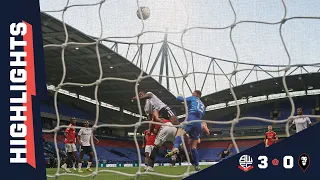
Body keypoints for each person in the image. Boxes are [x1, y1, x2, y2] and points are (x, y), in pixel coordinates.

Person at [166, 90, 206, 171]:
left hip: (191, 118)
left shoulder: (193, 98)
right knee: (194, 147)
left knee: (180, 131)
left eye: (193, 93)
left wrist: (179, 95)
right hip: (198, 123)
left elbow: (180, 99)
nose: (192, 94)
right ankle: (197, 166)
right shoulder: (203, 105)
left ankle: (176, 147)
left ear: (196, 94)